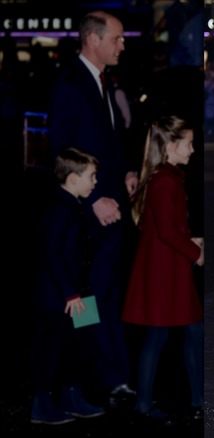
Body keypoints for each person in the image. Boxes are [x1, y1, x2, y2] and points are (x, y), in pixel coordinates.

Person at [47, 10, 137, 408]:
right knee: (88, 298)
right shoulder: (70, 85)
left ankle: (109, 375)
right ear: (92, 39)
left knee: (107, 294)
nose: (122, 45)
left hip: (111, 210)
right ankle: (86, 379)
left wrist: (126, 174)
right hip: (88, 216)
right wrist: (94, 196)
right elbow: (63, 154)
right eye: (116, 38)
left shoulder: (104, 82)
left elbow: (108, 144)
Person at [121, 116, 204, 423]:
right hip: (166, 272)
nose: (193, 150)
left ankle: (193, 398)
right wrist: (195, 252)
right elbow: (168, 232)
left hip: (166, 269)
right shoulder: (165, 180)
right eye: (189, 144)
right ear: (171, 146)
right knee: (164, 338)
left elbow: (164, 228)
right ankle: (148, 402)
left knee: (180, 334)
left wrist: (190, 242)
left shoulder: (163, 176)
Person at [30, 148, 106, 425]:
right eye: (92, 176)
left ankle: (72, 395)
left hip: (81, 292)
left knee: (81, 345)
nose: (95, 182)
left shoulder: (75, 206)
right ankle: (41, 403)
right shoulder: (59, 210)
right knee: (51, 349)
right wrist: (70, 293)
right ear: (73, 178)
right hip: (61, 297)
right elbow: (52, 254)